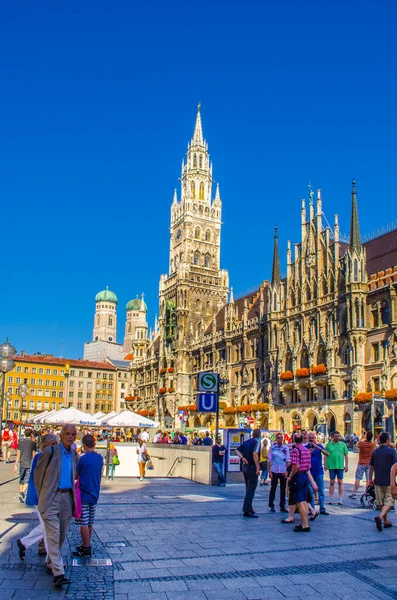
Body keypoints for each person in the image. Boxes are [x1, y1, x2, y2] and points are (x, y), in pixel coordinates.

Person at [34, 424, 78, 588]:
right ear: (61, 435)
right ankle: (58, 572)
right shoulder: (50, 452)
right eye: (67, 433)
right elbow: (38, 475)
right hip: (51, 497)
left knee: (61, 535)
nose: (70, 436)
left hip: (67, 497)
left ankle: (50, 562)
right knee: (53, 534)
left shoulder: (74, 454)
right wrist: (43, 495)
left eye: (73, 434)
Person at [16, 434, 59, 561]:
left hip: (44, 495)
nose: (56, 447)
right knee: (47, 528)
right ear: (45, 445)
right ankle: (51, 560)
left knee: (46, 526)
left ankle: (24, 543)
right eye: (53, 444)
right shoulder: (42, 457)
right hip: (40, 495)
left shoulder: (46, 456)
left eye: (56, 444)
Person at [73, 434, 104, 557]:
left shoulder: (82, 459)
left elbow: (76, 474)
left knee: (83, 522)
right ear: (94, 444)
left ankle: (86, 547)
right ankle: (86, 543)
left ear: (84, 445)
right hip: (95, 493)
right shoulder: (99, 458)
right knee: (90, 521)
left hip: (84, 493)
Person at [369, 431, 397, 531]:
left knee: (381, 502)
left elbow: (371, 466)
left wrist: (369, 479)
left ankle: (385, 521)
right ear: (388, 440)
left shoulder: (375, 451)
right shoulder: (392, 452)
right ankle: (380, 518)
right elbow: (395, 466)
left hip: (378, 480)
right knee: (390, 501)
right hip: (389, 481)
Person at [286, 432, 312, 532]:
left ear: (293, 440)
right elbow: (309, 466)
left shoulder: (296, 451)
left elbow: (296, 466)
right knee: (304, 501)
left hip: (298, 476)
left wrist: (290, 476)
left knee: (300, 502)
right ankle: (305, 523)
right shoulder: (306, 450)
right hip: (305, 475)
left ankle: (305, 525)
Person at [236, 429, 261, 518]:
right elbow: (255, 454)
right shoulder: (256, 442)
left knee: (248, 487)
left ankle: (249, 507)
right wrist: (257, 467)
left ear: (252, 434)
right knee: (251, 489)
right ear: (259, 435)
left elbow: (237, 451)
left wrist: (242, 458)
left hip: (245, 467)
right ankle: (246, 510)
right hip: (252, 467)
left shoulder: (246, 442)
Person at [305, 432, 329, 515]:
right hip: (309, 473)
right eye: (310, 437)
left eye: (313, 437)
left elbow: (327, 454)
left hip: (319, 471)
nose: (311, 439)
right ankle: (312, 509)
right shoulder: (305, 448)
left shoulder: (319, 447)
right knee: (310, 491)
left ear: (315, 438)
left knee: (321, 490)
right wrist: (310, 452)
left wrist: (319, 448)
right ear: (307, 439)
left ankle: (322, 508)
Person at [349, 431, 376, 499]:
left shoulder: (361, 443)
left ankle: (354, 493)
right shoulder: (373, 445)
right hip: (369, 463)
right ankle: (366, 492)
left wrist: (363, 438)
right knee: (368, 479)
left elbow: (356, 446)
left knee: (358, 478)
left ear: (366, 436)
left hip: (361, 463)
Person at [268, 432, 290, 513]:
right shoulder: (272, 448)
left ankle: (282, 505)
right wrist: (269, 471)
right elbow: (269, 460)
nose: (280, 439)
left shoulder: (285, 448)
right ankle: (271, 504)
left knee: (283, 489)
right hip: (274, 470)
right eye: (278, 438)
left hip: (283, 470)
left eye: (281, 437)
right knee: (273, 488)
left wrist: (287, 471)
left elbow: (288, 460)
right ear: (276, 439)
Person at [325, 431, 349, 505]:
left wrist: (346, 465)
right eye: (335, 436)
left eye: (338, 436)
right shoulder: (328, 445)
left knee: (340, 482)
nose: (337, 437)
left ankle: (340, 498)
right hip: (331, 466)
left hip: (340, 466)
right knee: (332, 482)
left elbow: (346, 455)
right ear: (332, 437)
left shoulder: (343, 445)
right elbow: (325, 455)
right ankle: (331, 497)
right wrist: (325, 464)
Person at [14, 428, 37, 503]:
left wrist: (15, 464)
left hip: (22, 463)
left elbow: (18, 454)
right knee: (28, 479)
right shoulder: (33, 443)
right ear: (31, 434)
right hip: (29, 463)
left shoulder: (21, 442)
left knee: (21, 478)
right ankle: (23, 492)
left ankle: (21, 492)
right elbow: (33, 454)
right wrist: (35, 463)